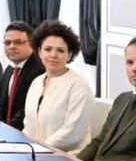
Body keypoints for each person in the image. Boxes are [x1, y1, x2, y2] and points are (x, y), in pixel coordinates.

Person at [21, 20, 94, 152]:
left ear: (69, 55)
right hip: (36, 152)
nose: (53, 55)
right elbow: (28, 125)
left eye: (60, 50)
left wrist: (39, 148)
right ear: (39, 52)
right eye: (48, 49)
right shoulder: (36, 82)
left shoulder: (79, 86)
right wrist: (22, 146)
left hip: (67, 155)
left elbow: (72, 132)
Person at [0, 21, 44, 130]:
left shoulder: (40, 70)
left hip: (25, 133)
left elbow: (26, 111)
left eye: (18, 42)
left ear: (32, 43)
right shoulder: (9, 70)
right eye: (7, 42)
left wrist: (6, 130)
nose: (12, 46)